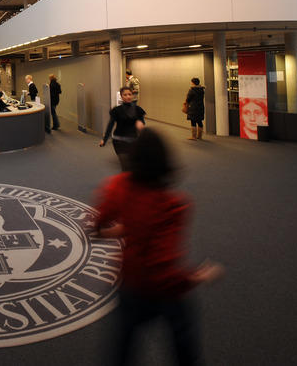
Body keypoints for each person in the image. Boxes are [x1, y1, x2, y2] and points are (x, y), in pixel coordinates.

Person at [92, 129, 224, 365]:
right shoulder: (175, 205)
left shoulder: (117, 186)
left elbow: (98, 224)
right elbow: (163, 269)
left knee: (121, 350)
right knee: (185, 346)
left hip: (130, 281)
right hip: (165, 292)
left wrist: (120, 229)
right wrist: (198, 276)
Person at [100, 87, 146, 170]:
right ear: (121, 96)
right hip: (119, 141)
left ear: (132, 95)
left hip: (133, 140)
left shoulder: (138, 110)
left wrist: (141, 124)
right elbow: (110, 125)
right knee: (125, 165)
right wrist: (105, 139)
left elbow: (142, 124)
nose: (128, 96)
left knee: (134, 165)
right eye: (125, 95)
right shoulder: (116, 110)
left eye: (129, 94)